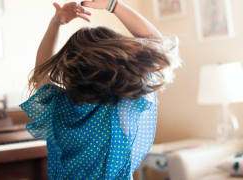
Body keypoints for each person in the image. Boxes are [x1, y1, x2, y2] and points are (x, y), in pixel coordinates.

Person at [19, 0, 182, 179]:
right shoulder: (122, 105)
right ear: (117, 64)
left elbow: (41, 72)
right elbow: (158, 45)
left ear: (70, 68)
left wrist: (56, 22)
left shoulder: (59, 107)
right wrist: (113, 5)